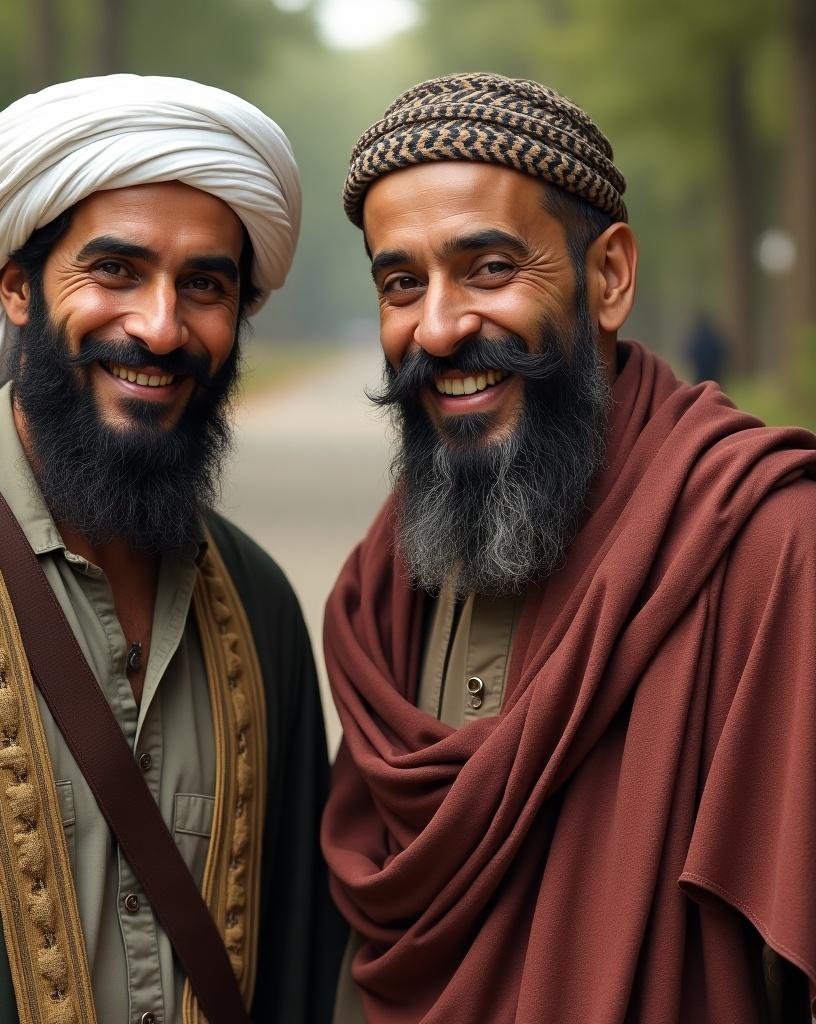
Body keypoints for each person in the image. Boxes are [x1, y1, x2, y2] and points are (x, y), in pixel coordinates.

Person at [0, 75, 343, 1023]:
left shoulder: (257, 606)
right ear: (18, 286)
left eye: (205, 285)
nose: (161, 327)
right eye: (116, 271)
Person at [322, 72, 816, 1022]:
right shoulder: (393, 571)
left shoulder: (768, 545)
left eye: (491, 269)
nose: (439, 327)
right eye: (401, 284)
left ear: (610, 277)